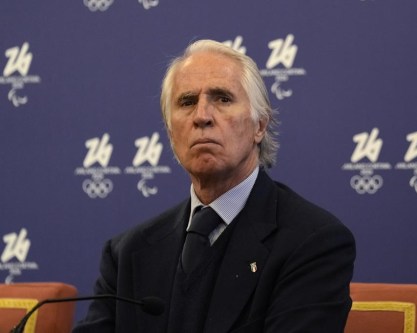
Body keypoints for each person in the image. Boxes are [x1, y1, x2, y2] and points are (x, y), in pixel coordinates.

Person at [73, 39, 356, 333]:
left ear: (259, 125)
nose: (202, 116)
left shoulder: (313, 242)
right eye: (187, 102)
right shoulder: (128, 253)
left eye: (222, 99)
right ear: (171, 133)